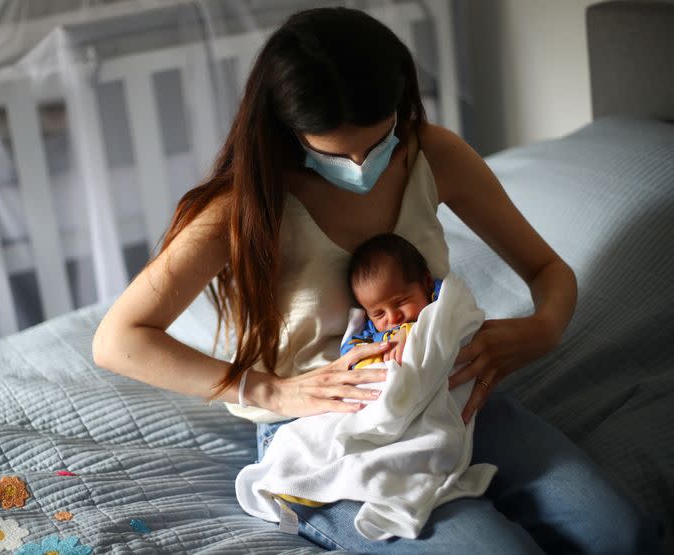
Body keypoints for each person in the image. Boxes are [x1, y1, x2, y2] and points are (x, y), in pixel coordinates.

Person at [92, 7, 662, 553]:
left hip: (447, 392)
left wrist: (545, 328)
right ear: (288, 128)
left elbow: (546, 270)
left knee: (621, 536)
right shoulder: (243, 208)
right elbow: (119, 339)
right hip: (327, 432)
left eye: (377, 141)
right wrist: (271, 390)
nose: (365, 165)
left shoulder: (431, 153)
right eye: (340, 154)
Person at [341, 232, 443, 369]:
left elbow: (453, 315)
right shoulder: (370, 332)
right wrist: (377, 354)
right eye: (379, 314)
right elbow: (350, 355)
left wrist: (411, 331)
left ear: (427, 283)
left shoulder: (440, 297)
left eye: (400, 302)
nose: (393, 318)